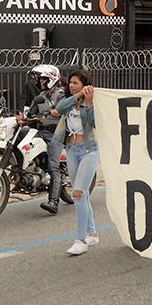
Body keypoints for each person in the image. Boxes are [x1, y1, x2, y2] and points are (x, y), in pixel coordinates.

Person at [53, 72, 99, 255]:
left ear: (84, 84)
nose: (71, 85)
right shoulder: (70, 101)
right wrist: (78, 96)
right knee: (83, 194)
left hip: (88, 150)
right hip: (71, 150)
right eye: (70, 83)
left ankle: (80, 240)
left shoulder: (93, 101)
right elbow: (60, 107)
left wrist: (88, 103)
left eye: (75, 83)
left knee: (78, 194)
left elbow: (94, 123)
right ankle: (92, 234)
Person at [25, 64, 66, 215]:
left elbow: (61, 110)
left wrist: (53, 112)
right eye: (39, 78)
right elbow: (30, 112)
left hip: (57, 133)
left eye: (42, 78)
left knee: (53, 164)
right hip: (41, 131)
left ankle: (53, 202)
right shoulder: (40, 96)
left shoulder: (61, 94)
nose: (39, 81)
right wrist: (20, 118)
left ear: (51, 79)